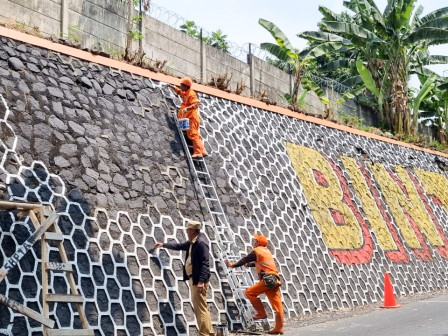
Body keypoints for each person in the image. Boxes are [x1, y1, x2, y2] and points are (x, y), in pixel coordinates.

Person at [154, 220, 214, 336]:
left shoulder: (201, 243)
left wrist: (201, 282)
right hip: (194, 279)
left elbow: (205, 264)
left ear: (192, 231)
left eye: (187, 230)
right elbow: (179, 246)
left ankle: (205, 334)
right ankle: (208, 332)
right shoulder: (192, 242)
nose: (186, 231)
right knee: (201, 307)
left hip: (198, 280)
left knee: (200, 308)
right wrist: (163, 245)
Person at [225, 233, 284, 334]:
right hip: (274, 280)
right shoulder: (266, 251)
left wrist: (232, 265)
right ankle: (279, 328)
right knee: (278, 307)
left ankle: (261, 313)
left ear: (257, 242)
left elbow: (244, 259)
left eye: (255, 240)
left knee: (249, 293)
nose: (253, 242)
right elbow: (260, 262)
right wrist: (249, 265)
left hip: (267, 280)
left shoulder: (256, 251)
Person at [168, 77, 208, 159]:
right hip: (188, 118)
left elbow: (196, 104)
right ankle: (202, 151)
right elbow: (180, 93)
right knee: (193, 134)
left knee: (193, 135)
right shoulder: (186, 93)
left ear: (186, 86)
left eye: (181, 85)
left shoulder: (191, 94)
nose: (180, 87)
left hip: (192, 118)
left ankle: (198, 152)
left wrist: (187, 108)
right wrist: (173, 87)